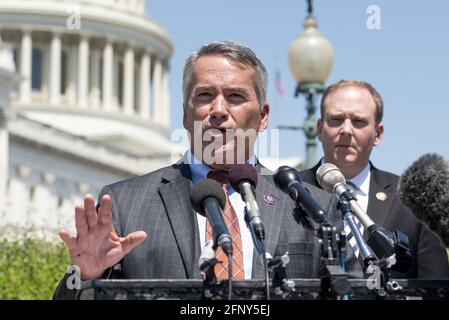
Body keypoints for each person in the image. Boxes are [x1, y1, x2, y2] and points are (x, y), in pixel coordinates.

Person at [53, 40, 342, 299]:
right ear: (185, 114)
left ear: (263, 117)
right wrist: (86, 276)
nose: (218, 109)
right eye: (204, 95)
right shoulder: (125, 204)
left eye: (235, 97)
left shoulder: (311, 208)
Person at [299, 80, 449, 279]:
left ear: (377, 134)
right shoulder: (288, 192)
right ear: (319, 129)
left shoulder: (413, 199)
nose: (346, 130)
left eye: (358, 121)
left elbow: (435, 286)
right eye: (336, 119)